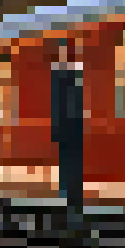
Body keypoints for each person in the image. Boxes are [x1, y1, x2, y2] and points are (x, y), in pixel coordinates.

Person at [50, 46, 86, 210]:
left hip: (73, 126)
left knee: (73, 161)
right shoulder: (59, 76)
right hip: (69, 126)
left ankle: (73, 193)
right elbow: (57, 106)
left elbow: (76, 105)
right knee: (67, 161)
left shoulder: (74, 74)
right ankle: (68, 193)